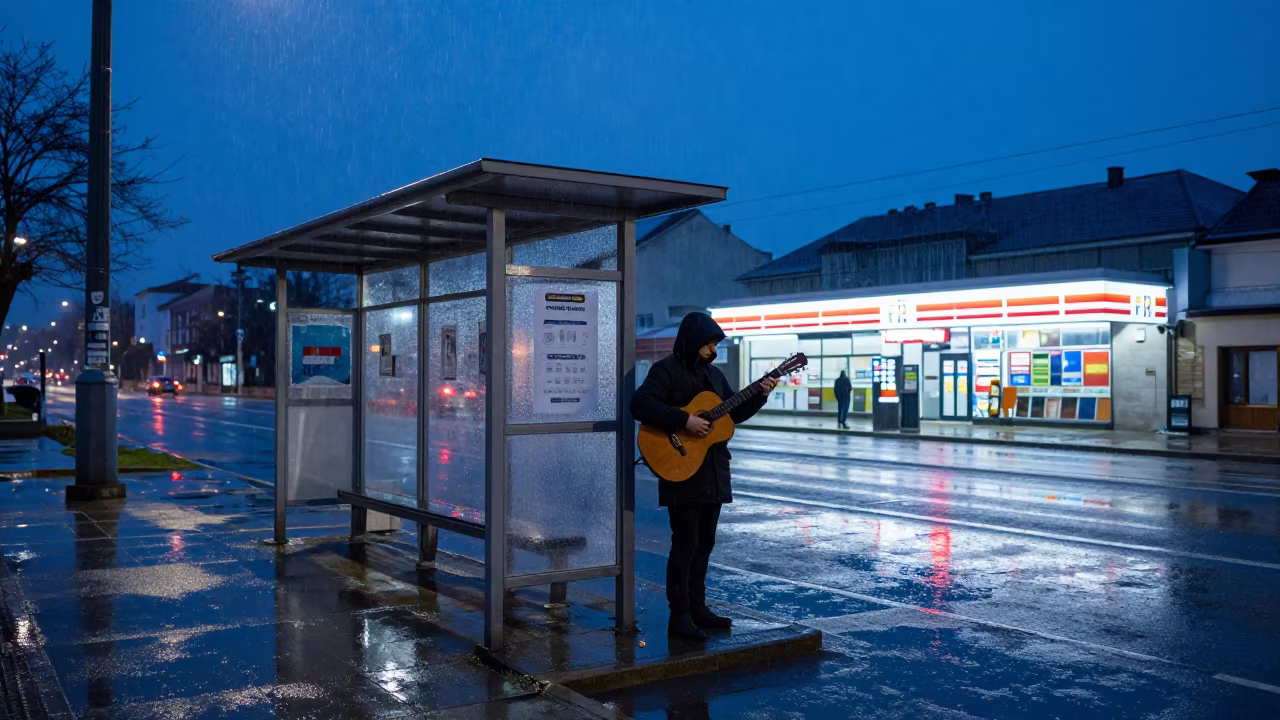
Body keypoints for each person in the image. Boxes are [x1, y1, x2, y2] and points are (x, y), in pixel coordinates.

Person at [631, 312, 776, 642]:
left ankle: (699, 608)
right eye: (710, 344)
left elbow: (732, 414)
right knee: (685, 544)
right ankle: (678, 616)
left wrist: (760, 394)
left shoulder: (714, 376)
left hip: (712, 472)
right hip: (681, 473)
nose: (714, 350)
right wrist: (684, 420)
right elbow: (640, 404)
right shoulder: (665, 371)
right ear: (694, 342)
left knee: (705, 544)